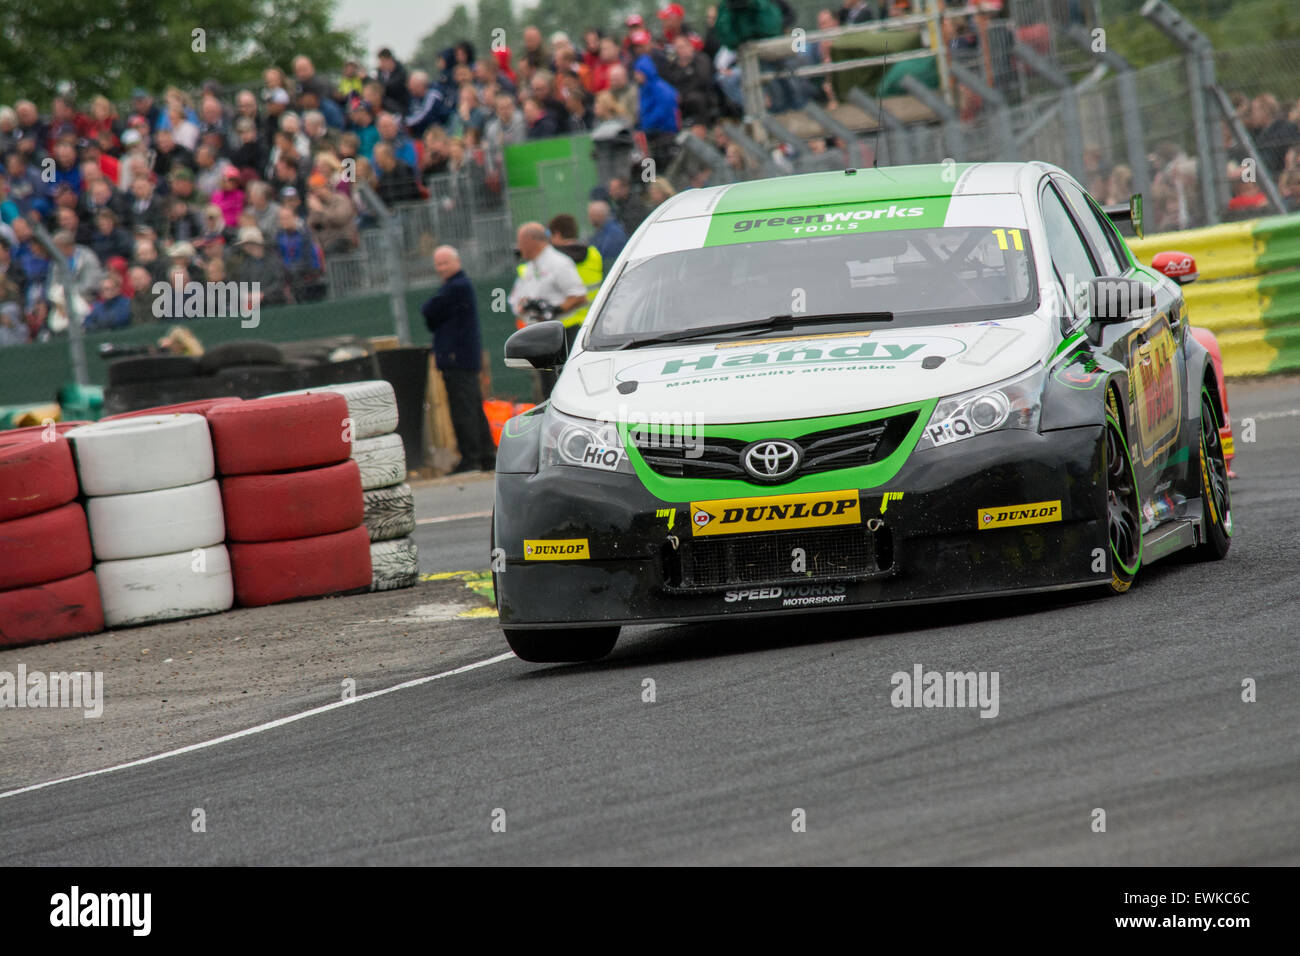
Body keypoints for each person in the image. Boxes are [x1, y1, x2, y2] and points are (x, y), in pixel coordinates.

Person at [421, 245, 496, 473]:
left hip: (458, 359)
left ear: (457, 262)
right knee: (472, 406)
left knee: (464, 409)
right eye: (438, 264)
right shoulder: (454, 288)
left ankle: (471, 457)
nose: (441, 268)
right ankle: (485, 455)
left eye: (445, 263)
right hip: (461, 359)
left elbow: (429, 311)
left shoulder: (457, 287)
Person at [508, 221, 587, 399]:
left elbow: (579, 295)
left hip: (563, 335)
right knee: (547, 391)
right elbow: (515, 300)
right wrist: (525, 305)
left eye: (520, 241)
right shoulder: (529, 268)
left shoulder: (559, 263)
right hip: (540, 337)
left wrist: (554, 309)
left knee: (563, 388)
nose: (518, 246)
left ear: (530, 241)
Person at [547, 213, 603, 326]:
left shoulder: (554, 259)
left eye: (551, 236)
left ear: (557, 234)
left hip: (565, 326)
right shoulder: (594, 254)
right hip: (594, 320)